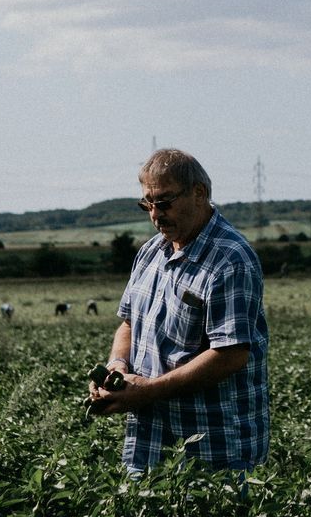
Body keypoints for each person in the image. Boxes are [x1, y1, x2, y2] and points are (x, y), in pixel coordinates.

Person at [87, 149, 269, 476]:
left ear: (199, 193)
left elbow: (230, 355)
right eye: (148, 204)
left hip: (213, 449)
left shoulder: (230, 260)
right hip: (149, 444)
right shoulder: (150, 253)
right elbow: (129, 323)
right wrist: (116, 368)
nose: (156, 214)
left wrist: (148, 390)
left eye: (165, 202)